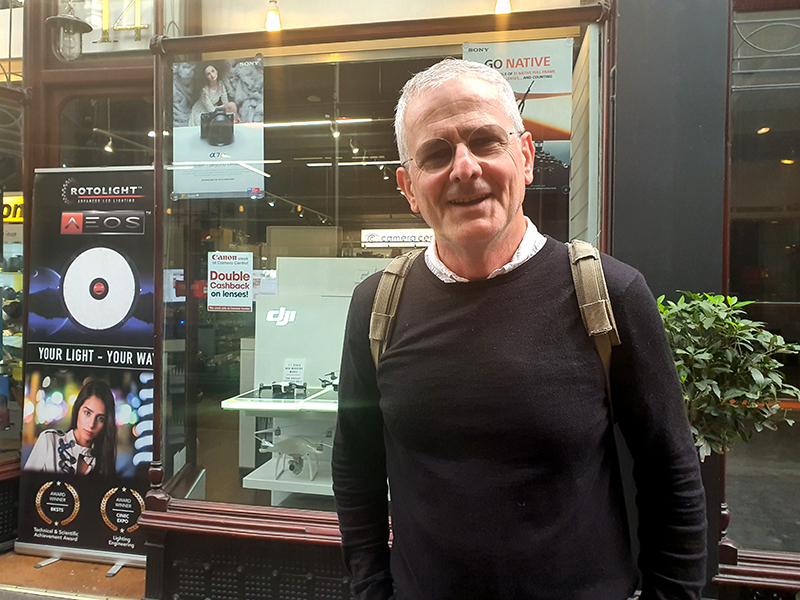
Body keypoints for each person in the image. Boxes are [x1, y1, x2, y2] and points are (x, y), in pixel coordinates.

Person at [332, 58, 707, 600]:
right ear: (409, 187)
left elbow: (672, 474)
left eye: (485, 142)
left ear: (526, 157)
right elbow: (355, 465)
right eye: (436, 154)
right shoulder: (376, 306)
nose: (464, 168)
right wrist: (371, 590)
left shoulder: (610, 296)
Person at [25, 379, 117, 476]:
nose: (91, 424)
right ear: (78, 410)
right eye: (87, 413)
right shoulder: (49, 441)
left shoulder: (103, 463)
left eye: (100, 419)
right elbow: (28, 486)